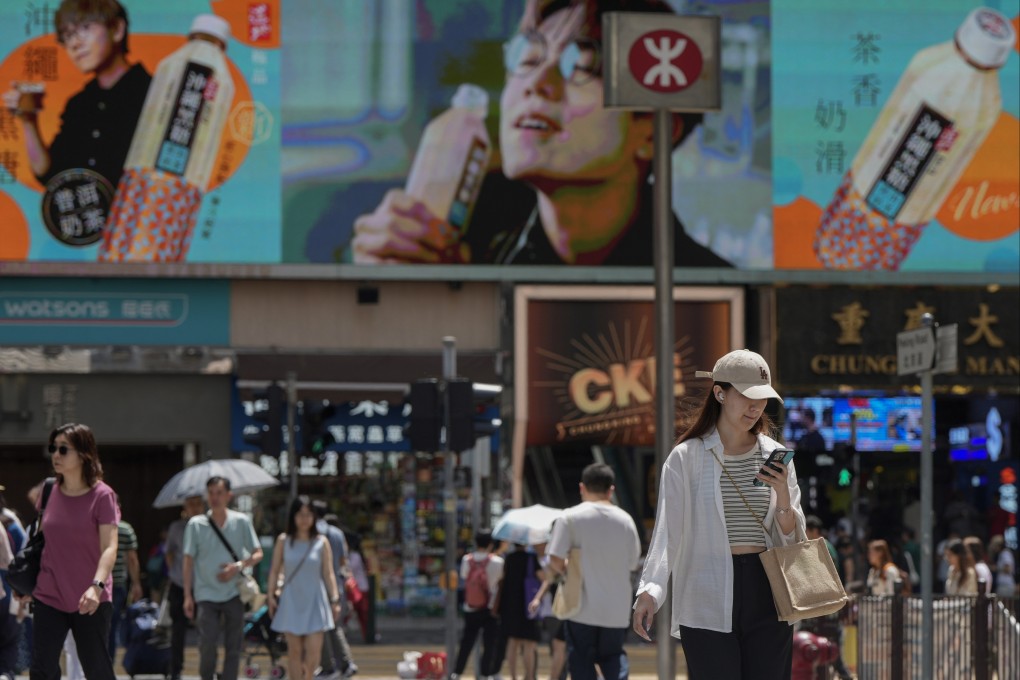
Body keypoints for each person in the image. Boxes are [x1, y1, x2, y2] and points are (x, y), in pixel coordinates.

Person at [352, 0, 731, 268]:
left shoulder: (718, 303)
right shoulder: (472, 269)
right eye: (527, 59)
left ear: (653, 134)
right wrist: (389, 294)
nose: (537, 83)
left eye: (580, 66)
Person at [632, 349, 805, 680]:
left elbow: (793, 537)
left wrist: (783, 494)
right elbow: (669, 531)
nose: (755, 407)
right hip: (706, 588)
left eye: (763, 398)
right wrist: (650, 591)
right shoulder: (687, 457)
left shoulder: (776, 455)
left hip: (769, 589)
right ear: (720, 393)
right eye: (746, 396)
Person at [1, 0, 151, 190]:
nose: (75, 43)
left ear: (117, 30)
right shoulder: (79, 105)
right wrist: (28, 120)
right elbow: (50, 174)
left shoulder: (155, 93)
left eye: (85, 28)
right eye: (67, 36)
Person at [18, 423, 120, 680]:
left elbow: (109, 546)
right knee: (42, 669)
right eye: (53, 448)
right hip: (49, 594)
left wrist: (96, 586)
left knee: (96, 669)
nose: (55, 455)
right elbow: (42, 541)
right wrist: (30, 583)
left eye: (63, 449)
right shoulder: (49, 490)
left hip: (90, 598)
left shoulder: (102, 495)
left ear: (84, 453)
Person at [549, 462, 640, 680]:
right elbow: (632, 563)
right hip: (616, 610)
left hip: (581, 607)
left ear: (582, 488)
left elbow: (554, 559)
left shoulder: (569, 518)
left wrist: (567, 567)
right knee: (613, 657)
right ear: (611, 490)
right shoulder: (626, 521)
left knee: (580, 660)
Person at [182, 476, 264, 680]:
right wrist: (187, 596)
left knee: (234, 645)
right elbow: (188, 561)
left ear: (229, 495)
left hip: (234, 592)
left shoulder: (241, 521)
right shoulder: (196, 524)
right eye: (211, 493)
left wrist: (238, 567)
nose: (214, 497)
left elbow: (258, 553)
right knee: (207, 644)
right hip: (206, 594)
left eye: (219, 493)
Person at [267, 496, 342, 680]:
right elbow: (275, 570)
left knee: (314, 653)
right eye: (300, 514)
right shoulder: (283, 541)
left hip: (316, 601)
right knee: (294, 652)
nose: (304, 519)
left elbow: (328, 573)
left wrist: (335, 599)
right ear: (293, 516)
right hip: (292, 601)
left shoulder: (321, 541)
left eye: (309, 515)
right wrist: (270, 596)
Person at [311, 503, 357, 678]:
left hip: (318, 584)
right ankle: (346, 663)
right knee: (334, 626)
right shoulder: (337, 533)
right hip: (336, 585)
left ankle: (328, 666)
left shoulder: (312, 532)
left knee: (321, 627)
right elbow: (343, 562)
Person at [451, 531, 505, 680]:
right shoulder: (498, 562)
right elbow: (500, 581)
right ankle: (484, 674)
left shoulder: (466, 560)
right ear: (490, 544)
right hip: (491, 608)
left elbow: (464, 576)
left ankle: (457, 672)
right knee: (489, 644)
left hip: (471, 607)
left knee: (467, 641)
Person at [804, 516, 853, 680]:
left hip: (826, 605)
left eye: (806, 530)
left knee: (829, 650)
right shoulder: (827, 546)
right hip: (828, 604)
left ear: (813, 530)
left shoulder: (820, 545)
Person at [164, 495, 206, 680]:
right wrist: (176, 572)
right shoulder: (176, 527)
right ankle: (176, 671)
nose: (194, 508)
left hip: (204, 586)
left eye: (198, 504)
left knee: (206, 630)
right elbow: (169, 552)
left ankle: (207, 669)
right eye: (191, 504)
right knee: (177, 630)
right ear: (184, 507)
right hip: (180, 584)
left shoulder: (209, 527)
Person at [497, 543, 543, 680]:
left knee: (513, 642)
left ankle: (513, 676)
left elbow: (501, 580)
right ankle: (529, 676)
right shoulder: (531, 558)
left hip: (509, 606)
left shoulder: (507, 558)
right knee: (529, 644)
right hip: (528, 605)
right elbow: (544, 578)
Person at [108, 510, 143, 657]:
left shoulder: (93, 527)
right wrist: (136, 584)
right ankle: (108, 664)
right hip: (117, 584)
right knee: (112, 625)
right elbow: (132, 559)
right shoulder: (125, 529)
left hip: (97, 584)